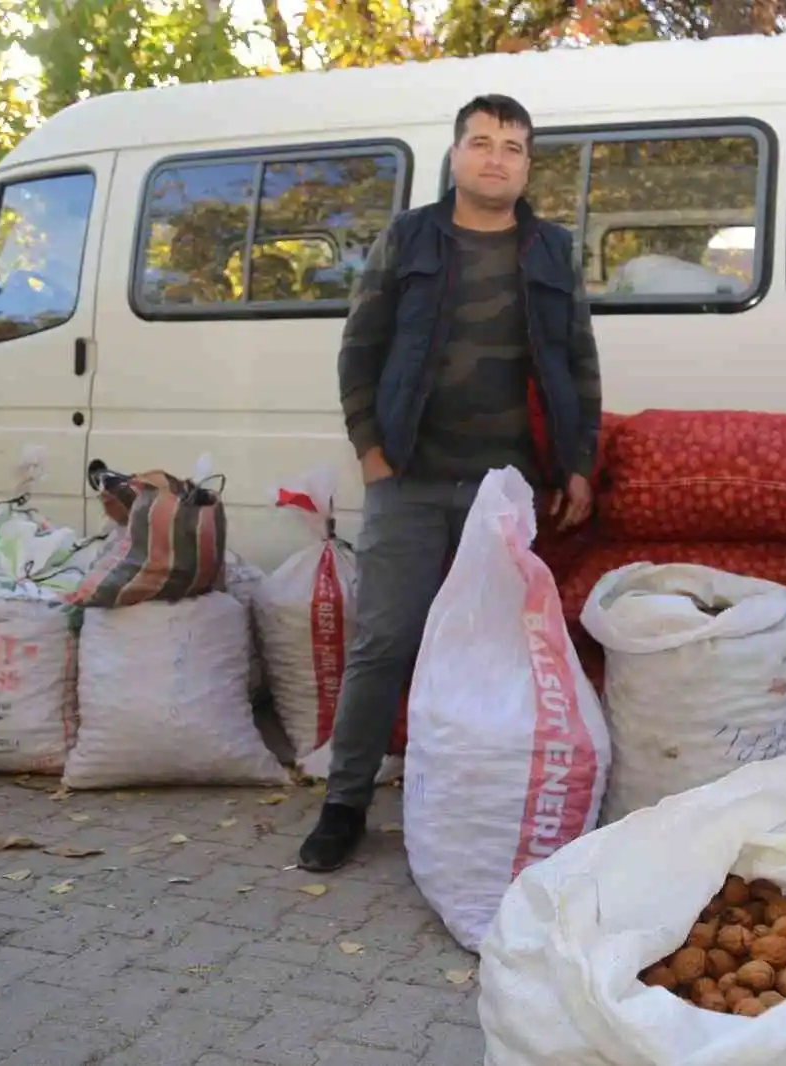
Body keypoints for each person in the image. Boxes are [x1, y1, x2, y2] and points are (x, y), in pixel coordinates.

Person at [299, 94, 603, 872]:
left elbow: (578, 362)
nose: (496, 156)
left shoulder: (552, 250)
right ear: (455, 155)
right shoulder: (409, 239)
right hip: (410, 478)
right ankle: (344, 805)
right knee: (385, 641)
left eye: (513, 145)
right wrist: (371, 453)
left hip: (507, 490)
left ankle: (484, 801)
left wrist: (578, 464)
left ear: (528, 163)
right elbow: (358, 351)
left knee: (500, 649)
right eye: (481, 141)